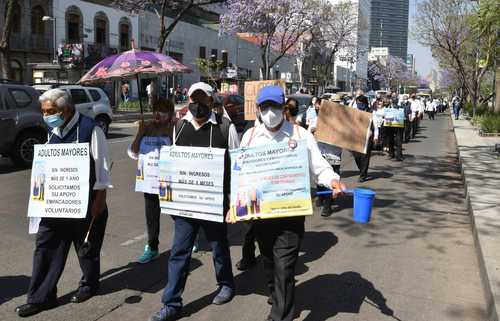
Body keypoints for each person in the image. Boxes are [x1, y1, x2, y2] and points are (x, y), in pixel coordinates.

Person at [228, 85, 345, 321]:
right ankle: (277, 295)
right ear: (259, 110)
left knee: (285, 266)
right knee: (270, 264)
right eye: (264, 107)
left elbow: (318, 165)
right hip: (262, 215)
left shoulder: (300, 135)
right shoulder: (250, 137)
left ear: (284, 107)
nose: (270, 111)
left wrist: (332, 180)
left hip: (291, 214)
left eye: (274, 106)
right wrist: (234, 205)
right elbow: (240, 174)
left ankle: (281, 315)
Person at [16, 89, 112, 317]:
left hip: (86, 203)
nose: (46, 115)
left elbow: (103, 169)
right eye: (44, 111)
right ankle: (40, 298)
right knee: (45, 248)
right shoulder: (50, 131)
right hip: (54, 205)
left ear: (67, 109)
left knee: (86, 250)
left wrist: (100, 199)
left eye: (51, 111)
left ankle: (89, 285)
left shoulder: (91, 129)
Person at [149, 82, 239, 321]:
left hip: (214, 203)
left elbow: (237, 167)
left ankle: (226, 284)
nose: (197, 104)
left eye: (203, 99)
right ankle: (171, 303)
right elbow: (171, 165)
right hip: (185, 204)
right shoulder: (178, 127)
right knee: (179, 252)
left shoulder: (225, 128)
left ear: (212, 101)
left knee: (219, 247)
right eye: (193, 99)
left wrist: (234, 201)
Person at [128, 98, 175, 264]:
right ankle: (152, 247)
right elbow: (133, 152)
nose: (158, 113)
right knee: (152, 217)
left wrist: (169, 133)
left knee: (176, 213)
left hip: (169, 182)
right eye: (156, 109)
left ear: (170, 113)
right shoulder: (146, 128)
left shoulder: (175, 128)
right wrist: (141, 132)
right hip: (149, 182)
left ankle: (190, 238)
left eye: (162, 110)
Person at [352, 95, 379, 182]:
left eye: (359, 103)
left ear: (364, 103)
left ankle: (363, 175)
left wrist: (375, 136)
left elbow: (375, 125)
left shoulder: (371, 112)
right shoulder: (355, 112)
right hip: (356, 137)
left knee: (365, 156)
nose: (358, 105)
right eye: (357, 103)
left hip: (367, 137)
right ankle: (362, 170)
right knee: (356, 156)